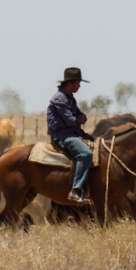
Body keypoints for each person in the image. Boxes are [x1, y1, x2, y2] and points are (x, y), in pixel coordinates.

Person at [47, 67, 96, 204]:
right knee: (85, 154)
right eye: (78, 83)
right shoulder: (60, 99)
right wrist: (78, 119)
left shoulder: (70, 98)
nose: (79, 86)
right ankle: (76, 189)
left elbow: (81, 116)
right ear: (71, 83)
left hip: (72, 132)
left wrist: (80, 118)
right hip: (63, 135)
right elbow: (71, 120)